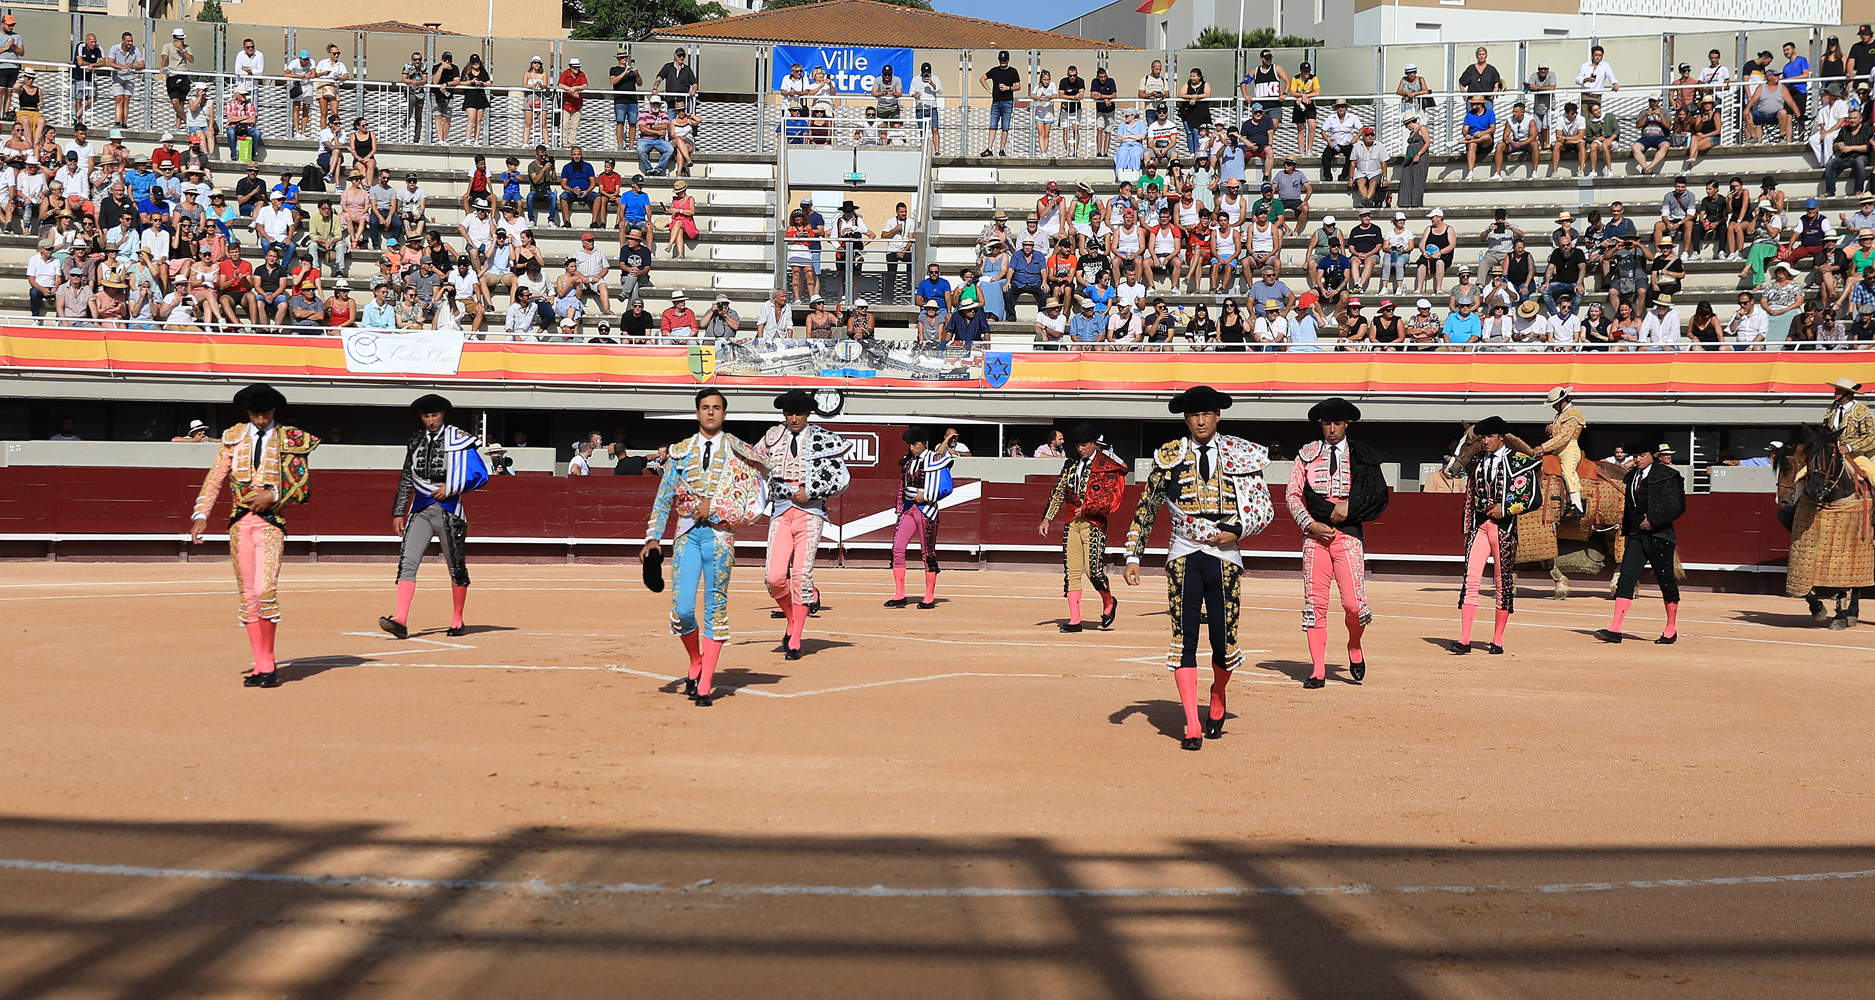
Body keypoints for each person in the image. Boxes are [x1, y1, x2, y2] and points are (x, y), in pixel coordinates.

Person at [1122, 386, 1273, 750]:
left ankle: (1218, 694)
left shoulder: (1240, 453)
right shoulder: (1169, 456)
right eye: (1193, 414)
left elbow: (1263, 509)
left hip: (1225, 557)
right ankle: (1191, 722)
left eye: (1206, 413)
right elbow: (1147, 506)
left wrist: (1235, 530)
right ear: (1186, 418)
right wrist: (1133, 555)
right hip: (1183, 554)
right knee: (1184, 639)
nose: (1201, 420)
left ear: (1218, 416)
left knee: (1223, 642)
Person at [641, 387, 767, 708]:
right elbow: (664, 496)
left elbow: (751, 500)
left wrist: (714, 505)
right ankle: (696, 660)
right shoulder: (680, 452)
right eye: (705, 407)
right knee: (682, 610)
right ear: (697, 413)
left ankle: (705, 683)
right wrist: (653, 538)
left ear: (724, 413)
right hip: (687, 536)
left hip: (720, 537)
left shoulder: (741, 453)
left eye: (716, 407)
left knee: (715, 608)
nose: (711, 412)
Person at [188, 383, 320, 688]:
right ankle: (262, 666)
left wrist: (273, 496)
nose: (261, 420)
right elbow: (215, 478)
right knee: (248, 596)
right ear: (248, 413)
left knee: (265, 591)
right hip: (239, 523)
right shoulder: (233, 437)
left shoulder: (291, 438)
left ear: (274, 411)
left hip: (271, 524)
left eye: (265, 414)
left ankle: (268, 661)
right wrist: (201, 515)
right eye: (255, 414)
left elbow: (303, 487)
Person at [1287, 397, 1388, 689]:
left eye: (1337, 423)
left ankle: (1354, 645)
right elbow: (1292, 494)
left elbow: (1376, 494)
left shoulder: (1361, 455)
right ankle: (1318, 669)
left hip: (1348, 536)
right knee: (1315, 604)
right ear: (1322, 424)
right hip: (1315, 537)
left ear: (1346, 424)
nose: (1332, 429)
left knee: (1354, 605)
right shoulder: (1306, 454)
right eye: (1327, 423)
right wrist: (1311, 524)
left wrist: (1350, 506)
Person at [755, 389, 851, 660]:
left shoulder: (823, 438)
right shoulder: (772, 437)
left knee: (800, 575)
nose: (793, 418)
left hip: (810, 512)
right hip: (782, 511)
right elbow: (754, 466)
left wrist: (811, 491)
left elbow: (842, 477)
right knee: (774, 578)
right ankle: (792, 619)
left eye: (798, 413)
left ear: (808, 413)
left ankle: (795, 637)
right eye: (788, 413)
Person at [380, 393, 481, 642]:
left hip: (449, 509)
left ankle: (457, 618)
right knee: (407, 562)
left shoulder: (458, 439)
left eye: (434, 415)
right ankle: (401, 621)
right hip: (420, 508)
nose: (431, 420)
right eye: (426, 416)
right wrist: (398, 510)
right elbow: (407, 476)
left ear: (443, 414)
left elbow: (479, 473)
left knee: (455, 566)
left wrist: (452, 486)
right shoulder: (415, 440)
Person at [1449, 416, 1541, 655]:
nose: (1486, 441)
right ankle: (1465, 639)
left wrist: (1506, 509)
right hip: (1480, 526)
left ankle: (1497, 640)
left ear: (1502, 437)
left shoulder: (1521, 461)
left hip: (1505, 528)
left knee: (1503, 584)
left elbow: (1533, 498)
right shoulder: (1477, 460)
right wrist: (1468, 525)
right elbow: (1470, 494)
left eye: (1490, 436)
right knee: (1470, 581)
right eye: (1483, 437)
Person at [1592, 440, 1685, 645]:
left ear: (1653, 454)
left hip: (1660, 536)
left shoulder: (1668, 475)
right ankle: (1615, 629)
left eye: (1642, 455)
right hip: (1636, 535)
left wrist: (1653, 521)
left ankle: (1671, 628)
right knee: (1626, 579)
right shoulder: (1633, 475)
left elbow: (1677, 506)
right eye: (1635, 456)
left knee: (1666, 581)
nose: (1637, 459)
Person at [1036, 423, 1126, 633]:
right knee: (1072, 571)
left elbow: (1111, 495)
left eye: (1084, 445)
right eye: (1077, 445)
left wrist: (1087, 509)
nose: (1080, 449)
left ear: (1094, 443)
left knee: (1094, 571)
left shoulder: (1106, 465)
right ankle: (1075, 619)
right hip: (1071, 521)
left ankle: (1109, 601)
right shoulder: (1070, 463)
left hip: (1094, 523)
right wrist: (1047, 518)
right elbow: (1059, 490)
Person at [885, 426, 956, 609]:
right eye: (909, 444)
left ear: (924, 443)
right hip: (909, 509)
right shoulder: (908, 462)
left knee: (928, 553)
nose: (911, 447)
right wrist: (900, 506)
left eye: (914, 444)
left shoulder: (937, 460)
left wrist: (926, 497)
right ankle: (900, 595)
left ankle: (929, 598)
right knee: (897, 549)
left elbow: (947, 487)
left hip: (927, 509)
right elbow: (903, 485)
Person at [1531, 386, 1589, 516]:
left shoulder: (1574, 414)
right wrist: (1549, 429)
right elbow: (1555, 430)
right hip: (1557, 450)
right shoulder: (1561, 415)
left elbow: (1563, 437)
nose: (1553, 407)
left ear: (1561, 401)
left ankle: (1577, 505)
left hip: (1569, 449)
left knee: (1568, 471)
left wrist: (1542, 447)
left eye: (1554, 404)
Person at [1822, 376, 1875, 485]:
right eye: (1836, 389)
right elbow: (1824, 432)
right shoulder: (1830, 411)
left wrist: (1849, 447)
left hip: (1855, 455)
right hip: (1831, 454)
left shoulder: (1861, 410)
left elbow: (1871, 436)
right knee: (1802, 474)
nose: (1835, 392)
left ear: (1849, 393)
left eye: (1839, 390)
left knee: (1873, 475)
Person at [981, 50, 1020, 157]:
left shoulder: (1013, 71)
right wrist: (989, 89)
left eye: (1004, 60)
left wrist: (1008, 88)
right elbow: (982, 78)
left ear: (1008, 60)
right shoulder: (994, 70)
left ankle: (1002, 149)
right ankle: (989, 148)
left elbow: (1018, 86)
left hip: (1007, 102)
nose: (1002, 62)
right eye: (1001, 60)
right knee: (993, 126)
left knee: (1005, 127)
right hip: (996, 102)